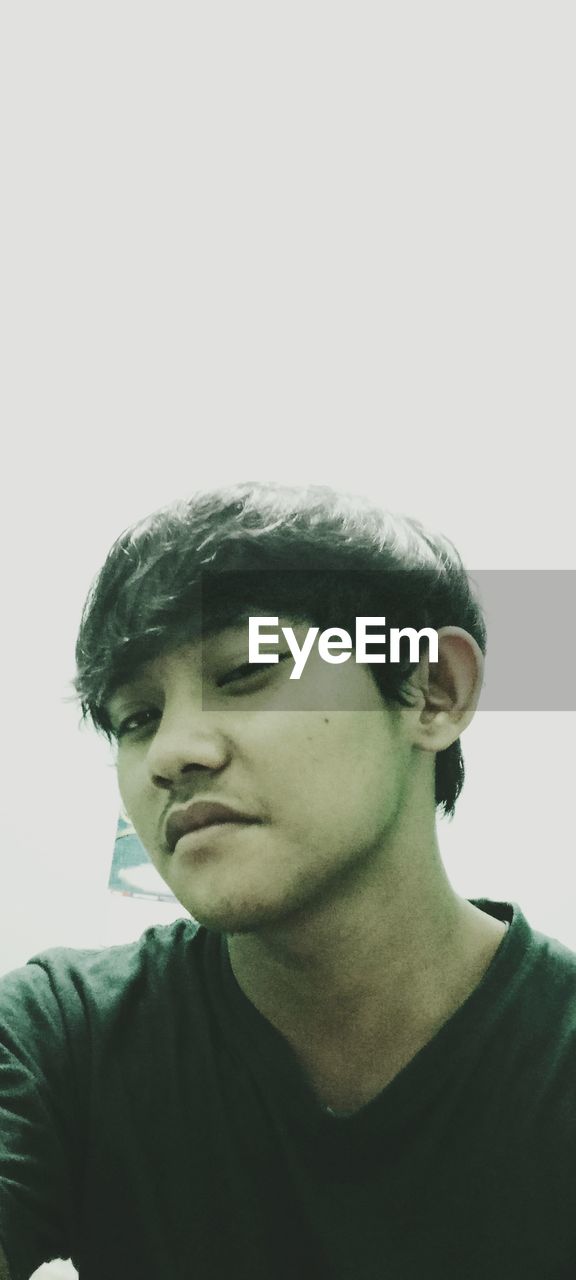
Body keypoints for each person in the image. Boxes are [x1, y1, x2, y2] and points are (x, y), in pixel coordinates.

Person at [1, 480, 575, 1280]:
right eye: (137, 718)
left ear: (433, 691)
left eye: (244, 670)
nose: (171, 754)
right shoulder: (59, 1036)